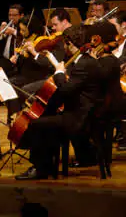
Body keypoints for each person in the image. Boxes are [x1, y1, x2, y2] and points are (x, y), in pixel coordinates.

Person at [15, 25, 102, 180]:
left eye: (65, 44)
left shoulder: (83, 65)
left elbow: (65, 90)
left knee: (37, 124)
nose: (64, 48)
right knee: (47, 118)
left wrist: (59, 73)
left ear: (70, 43)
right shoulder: (86, 61)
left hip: (78, 117)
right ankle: (47, 164)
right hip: (82, 111)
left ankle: (40, 168)